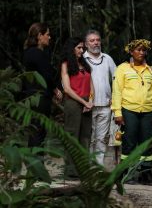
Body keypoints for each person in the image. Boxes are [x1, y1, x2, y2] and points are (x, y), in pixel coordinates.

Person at [112, 39, 152, 185]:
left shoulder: (151, 70)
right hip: (129, 110)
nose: (141, 53)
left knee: (147, 143)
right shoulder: (122, 68)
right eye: (138, 50)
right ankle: (127, 174)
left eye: (144, 50)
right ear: (131, 52)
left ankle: (145, 175)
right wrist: (117, 113)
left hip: (148, 112)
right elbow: (117, 91)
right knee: (129, 143)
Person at [23, 22, 62, 150]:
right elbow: (47, 76)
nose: (49, 37)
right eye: (47, 34)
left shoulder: (28, 52)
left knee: (35, 131)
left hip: (31, 98)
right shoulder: (38, 54)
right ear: (40, 35)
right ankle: (36, 165)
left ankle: (33, 165)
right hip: (40, 98)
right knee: (39, 132)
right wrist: (56, 90)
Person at [60, 37, 94, 178]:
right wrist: (83, 102)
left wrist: (90, 101)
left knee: (85, 136)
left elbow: (91, 84)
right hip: (73, 103)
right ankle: (71, 170)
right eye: (79, 48)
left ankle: (83, 168)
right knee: (72, 135)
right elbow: (67, 89)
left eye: (82, 48)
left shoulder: (85, 64)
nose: (82, 50)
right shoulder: (65, 64)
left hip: (87, 102)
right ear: (72, 49)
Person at [83, 30, 117, 166]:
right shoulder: (82, 58)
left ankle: (99, 165)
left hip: (105, 105)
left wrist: (115, 97)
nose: (96, 42)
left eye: (97, 39)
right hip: (88, 105)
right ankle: (88, 165)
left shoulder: (107, 58)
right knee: (89, 138)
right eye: (92, 40)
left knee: (102, 138)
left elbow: (117, 79)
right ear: (86, 44)